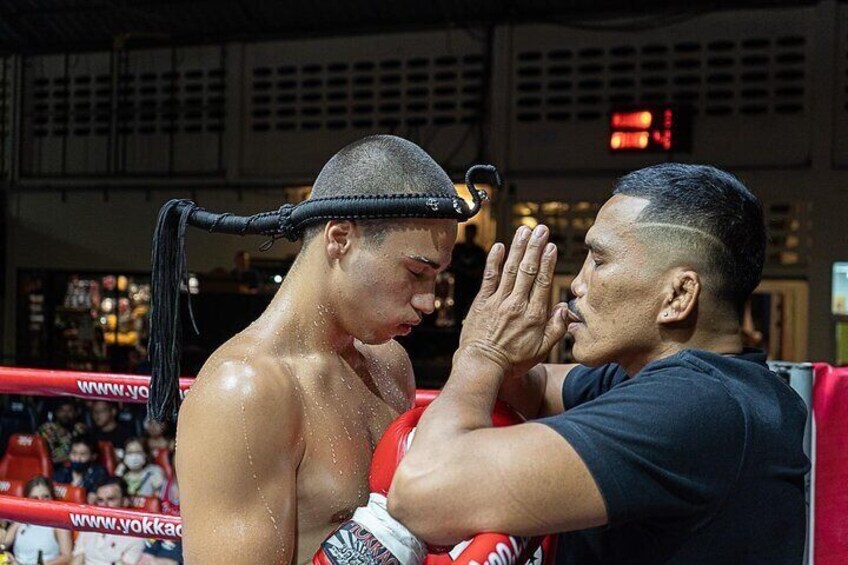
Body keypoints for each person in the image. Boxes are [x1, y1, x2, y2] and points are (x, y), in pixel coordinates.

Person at [387, 163, 810, 564]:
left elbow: (424, 493)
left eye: (600, 260)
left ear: (678, 296)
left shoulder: (696, 407)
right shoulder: (694, 384)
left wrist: (482, 353)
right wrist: (507, 348)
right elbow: (533, 388)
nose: (578, 283)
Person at [147, 135, 491, 564]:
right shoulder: (244, 392)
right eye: (417, 272)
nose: (427, 301)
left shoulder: (389, 362)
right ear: (340, 239)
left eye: (435, 278)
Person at [1, 476, 72, 565]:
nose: (41, 502)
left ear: (52, 497)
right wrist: (5, 554)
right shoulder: (20, 521)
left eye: (45, 497)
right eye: (35, 498)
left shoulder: (60, 524)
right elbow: (4, 544)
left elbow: (67, 557)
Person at [72, 477, 144, 565]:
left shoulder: (136, 535)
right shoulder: (89, 523)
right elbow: (79, 556)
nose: (105, 505)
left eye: (111, 499)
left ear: (125, 501)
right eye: (100, 500)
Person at [52, 436, 109, 505]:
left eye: (83, 454)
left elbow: (92, 501)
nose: (77, 459)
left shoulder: (99, 473)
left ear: (93, 456)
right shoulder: (62, 472)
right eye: (74, 453)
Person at [449, 223, 488, 323]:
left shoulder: (479, 251)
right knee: (458, 306)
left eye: (471, 232)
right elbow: (451, 265)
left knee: (471, 306)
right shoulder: (458, 248)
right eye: (467, 232)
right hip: (460, 283)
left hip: (473, 285)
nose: (469, 235)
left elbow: (482, 268)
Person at [37, 399, 87, 470]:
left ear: (75, 413)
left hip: (75, 469)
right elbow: (43, 458)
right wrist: (66, 458)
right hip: (51, 469)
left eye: (70, 411)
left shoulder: (78, 430)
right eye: (62, 410)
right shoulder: (47, 430)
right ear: (56, 413)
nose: (65, 414)